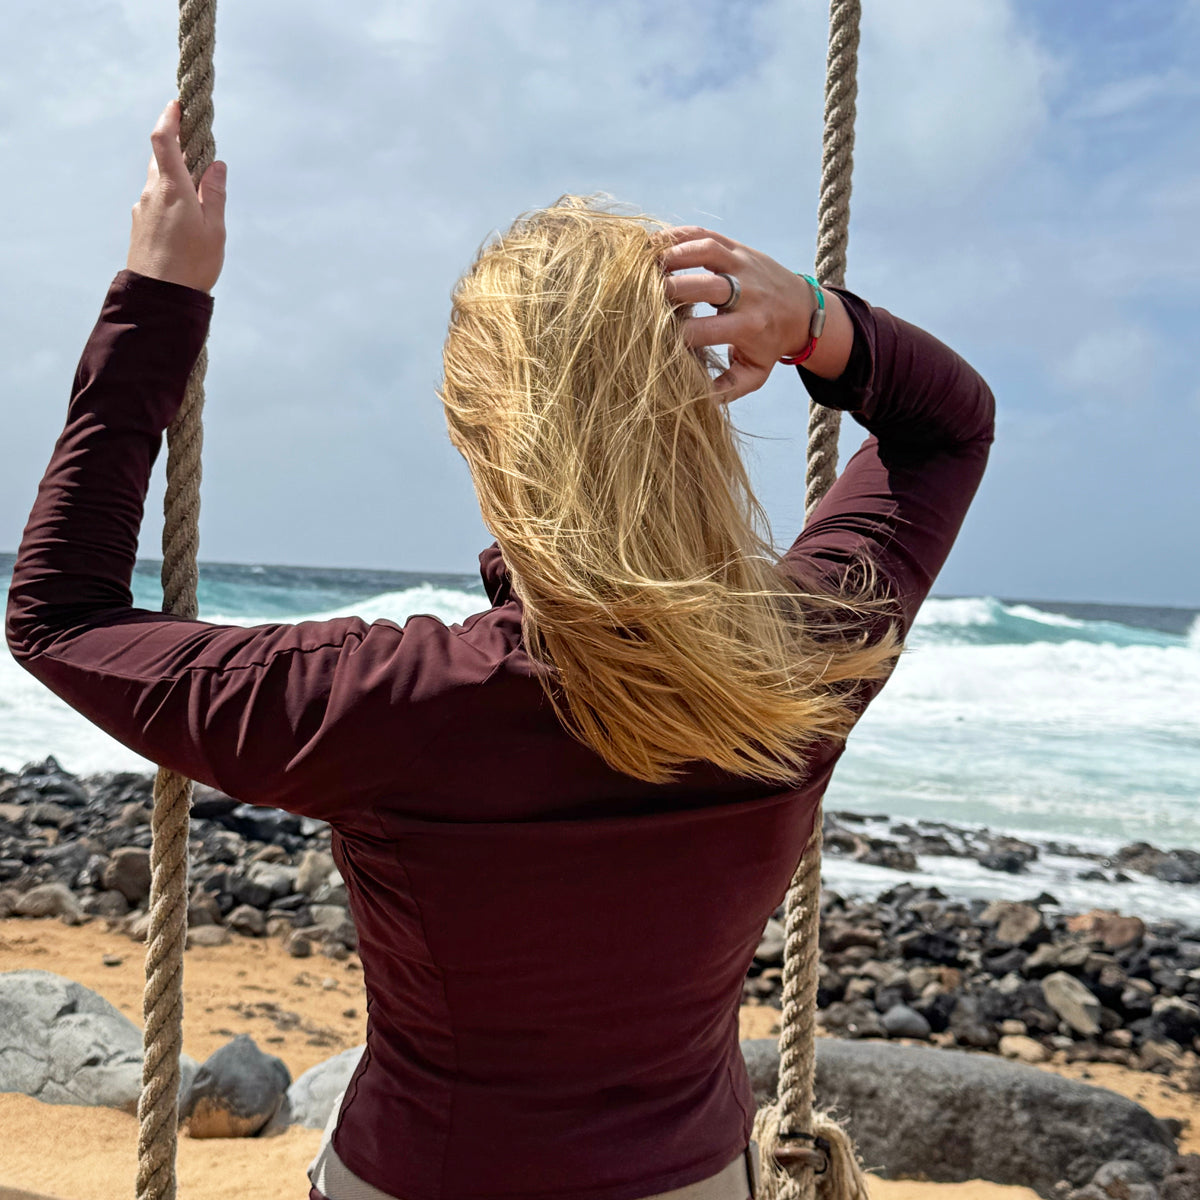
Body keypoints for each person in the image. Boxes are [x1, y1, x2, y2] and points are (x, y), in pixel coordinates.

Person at [6, 101, 993, 1200]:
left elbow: (60, 617)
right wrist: (814, 321)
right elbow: (946, 424)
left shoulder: (397, 702)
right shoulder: (802, 661)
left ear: (481, 435)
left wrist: (159, 298)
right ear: (697, 409)